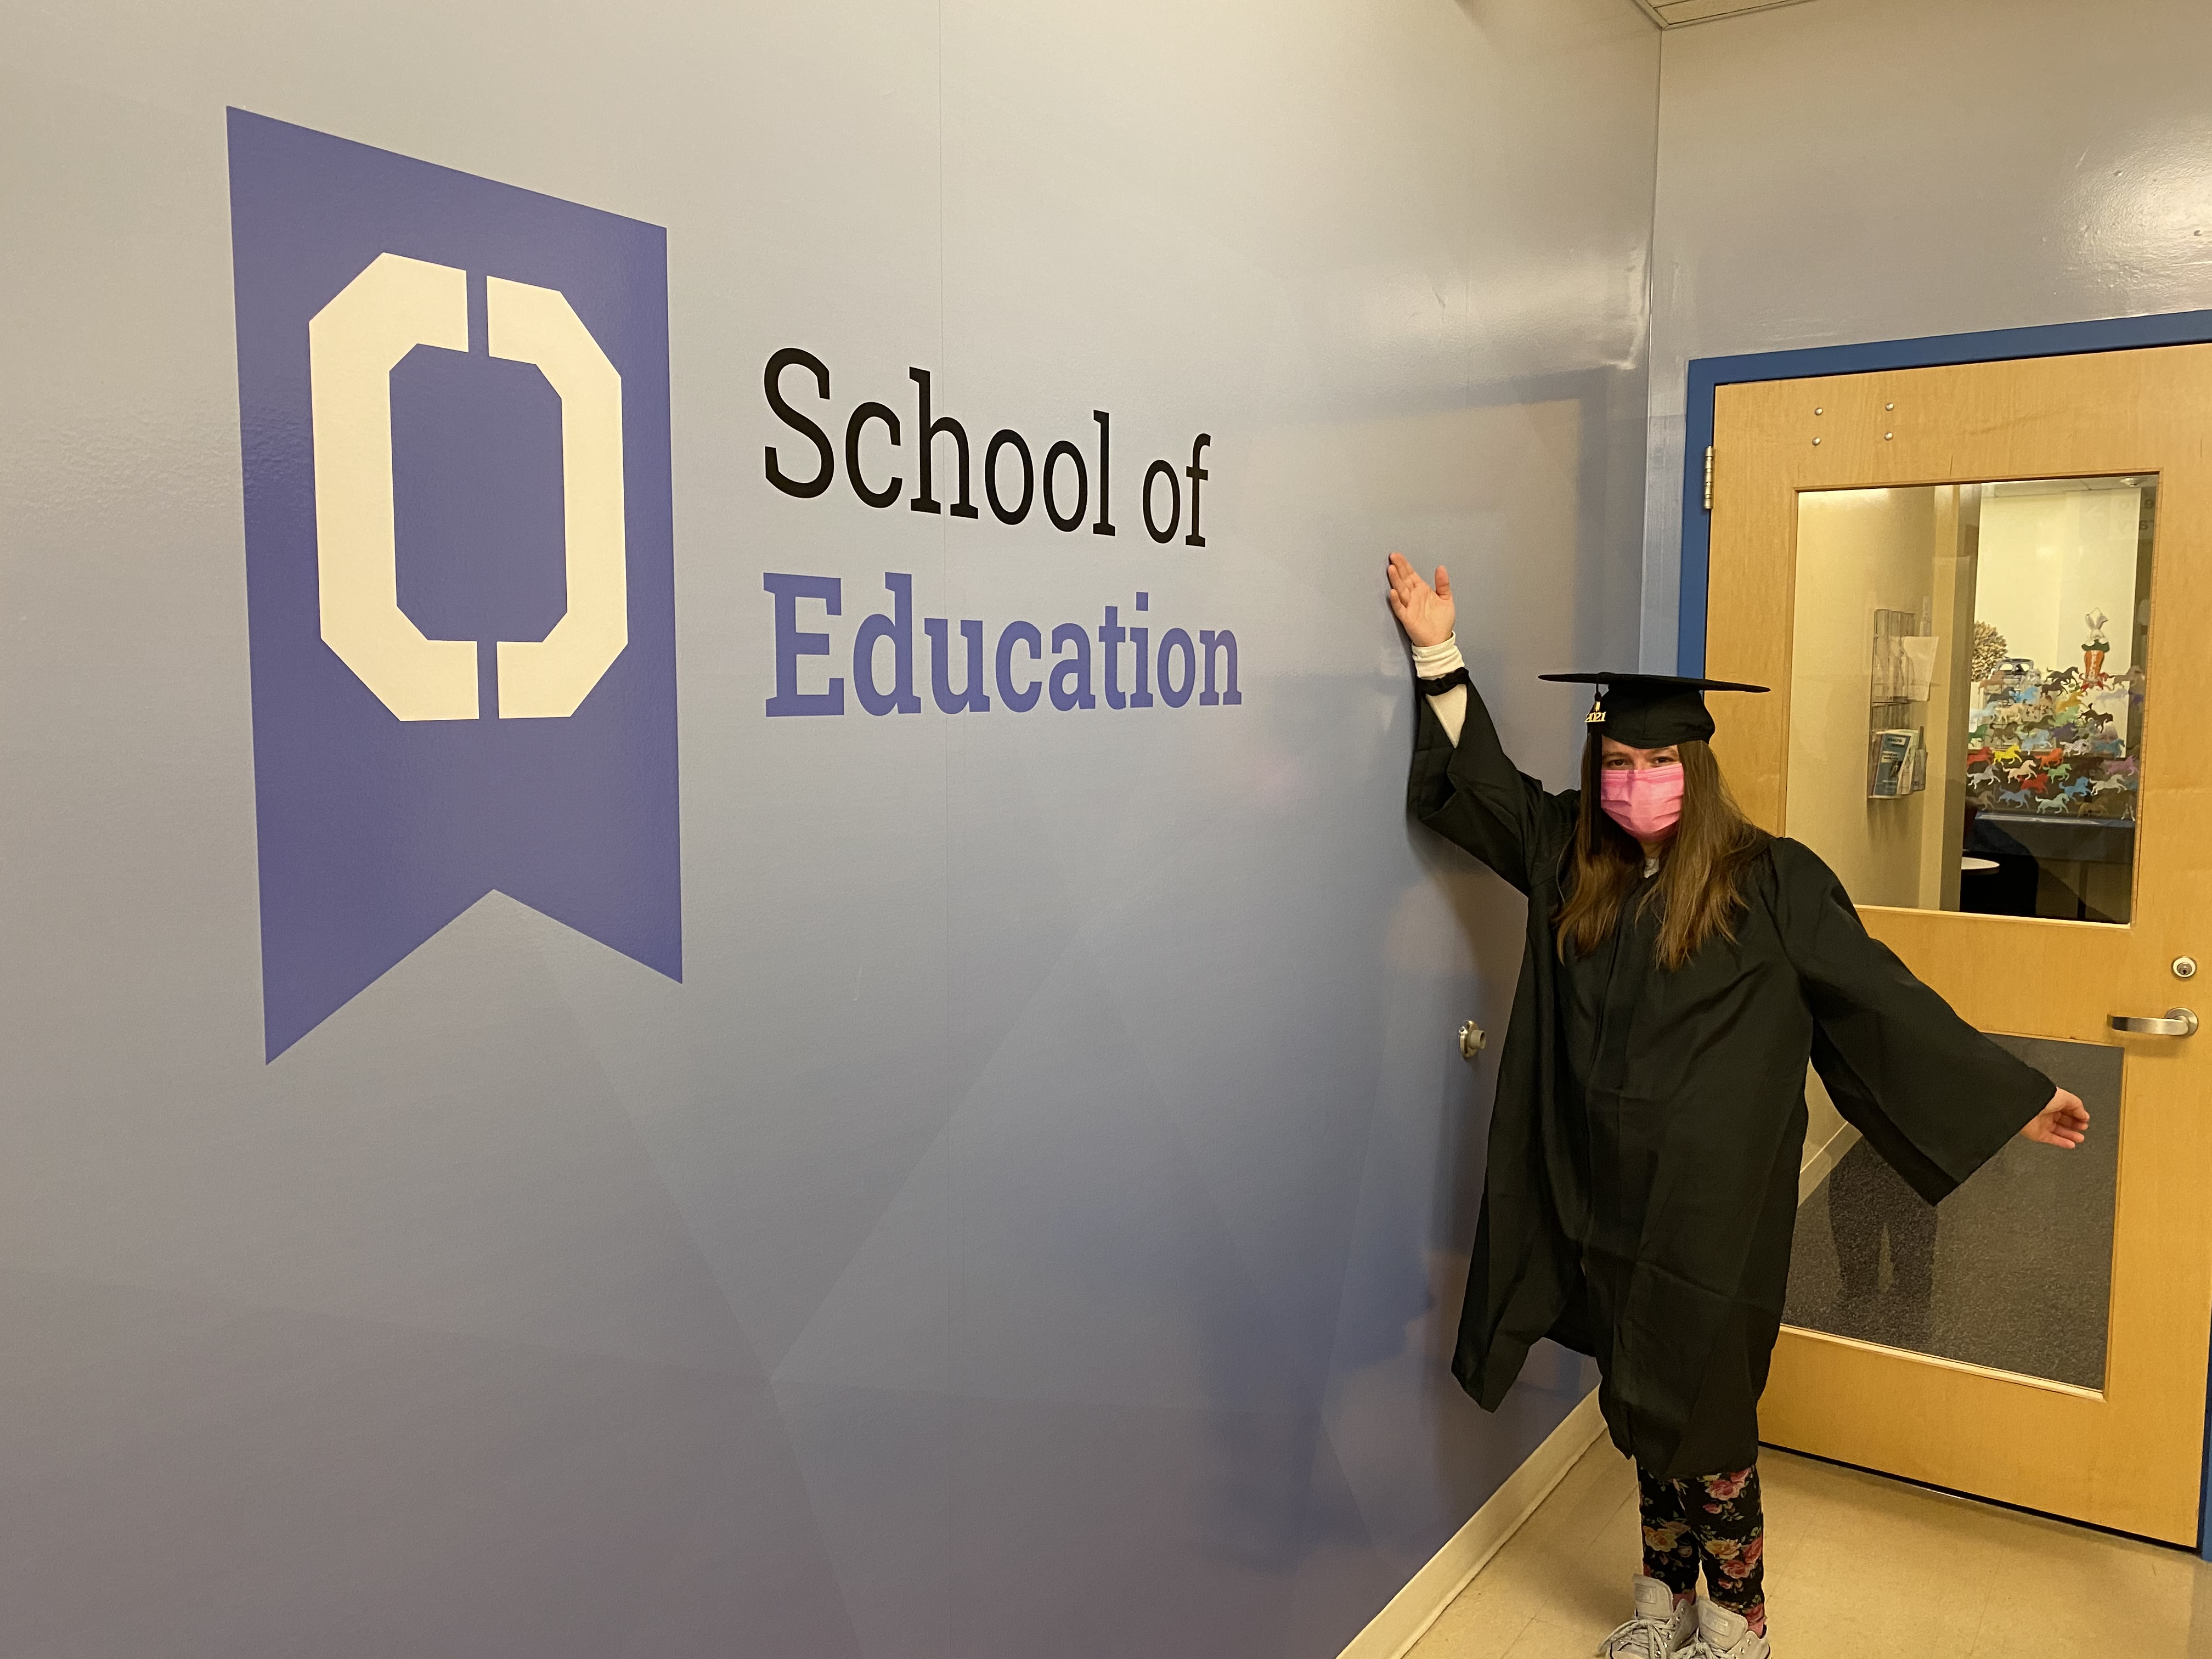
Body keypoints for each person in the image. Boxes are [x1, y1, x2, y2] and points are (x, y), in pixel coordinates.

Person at [1384, 554, 2089, 1659]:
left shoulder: (1773, 882)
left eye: (1657, 760)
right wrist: (1438, 650)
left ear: (1695, 767)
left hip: (1710, 1215)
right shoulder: (1577, 862)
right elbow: (1485, 793)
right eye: (1617, 761)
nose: (1634, 781)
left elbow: (1878, 998)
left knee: (1705, 1422)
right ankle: (1661, 1602)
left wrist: (2014, 1094)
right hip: (1600, 1197)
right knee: (1641, 1403)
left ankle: (1739, 1622)